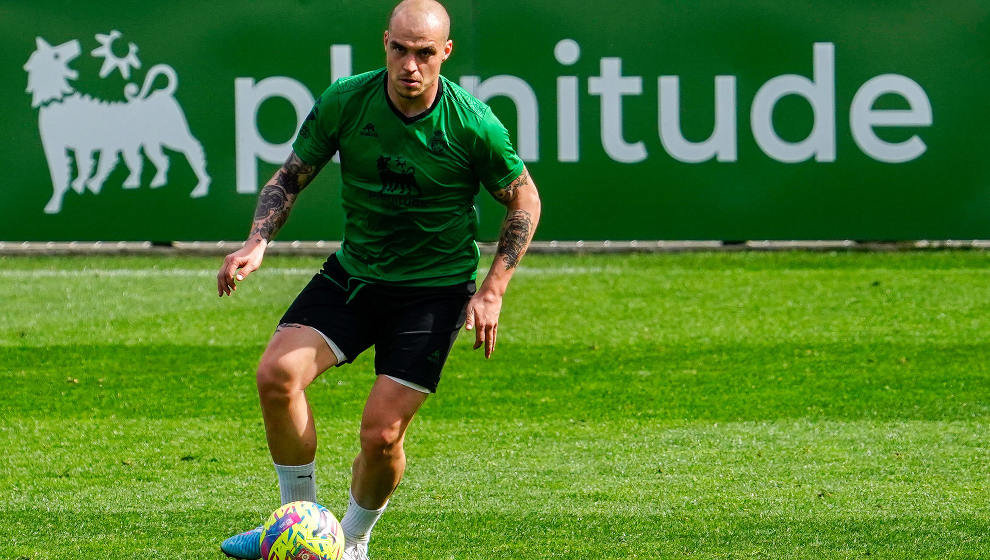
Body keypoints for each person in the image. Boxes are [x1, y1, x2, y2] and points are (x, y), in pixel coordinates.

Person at [216, 1, 541, 558]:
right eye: (400, 49)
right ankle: (299, 527)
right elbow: (290, 177)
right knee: (276, 375)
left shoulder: (473, 123)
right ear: (385, 42)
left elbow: (524, 199)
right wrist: (257, 241)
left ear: (446, 53)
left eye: (424, 53)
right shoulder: (347, 99)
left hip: (434, 292)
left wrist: (493, 291)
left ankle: (352, 543)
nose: (410, 65)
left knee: (381, 435)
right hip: (357, 274)